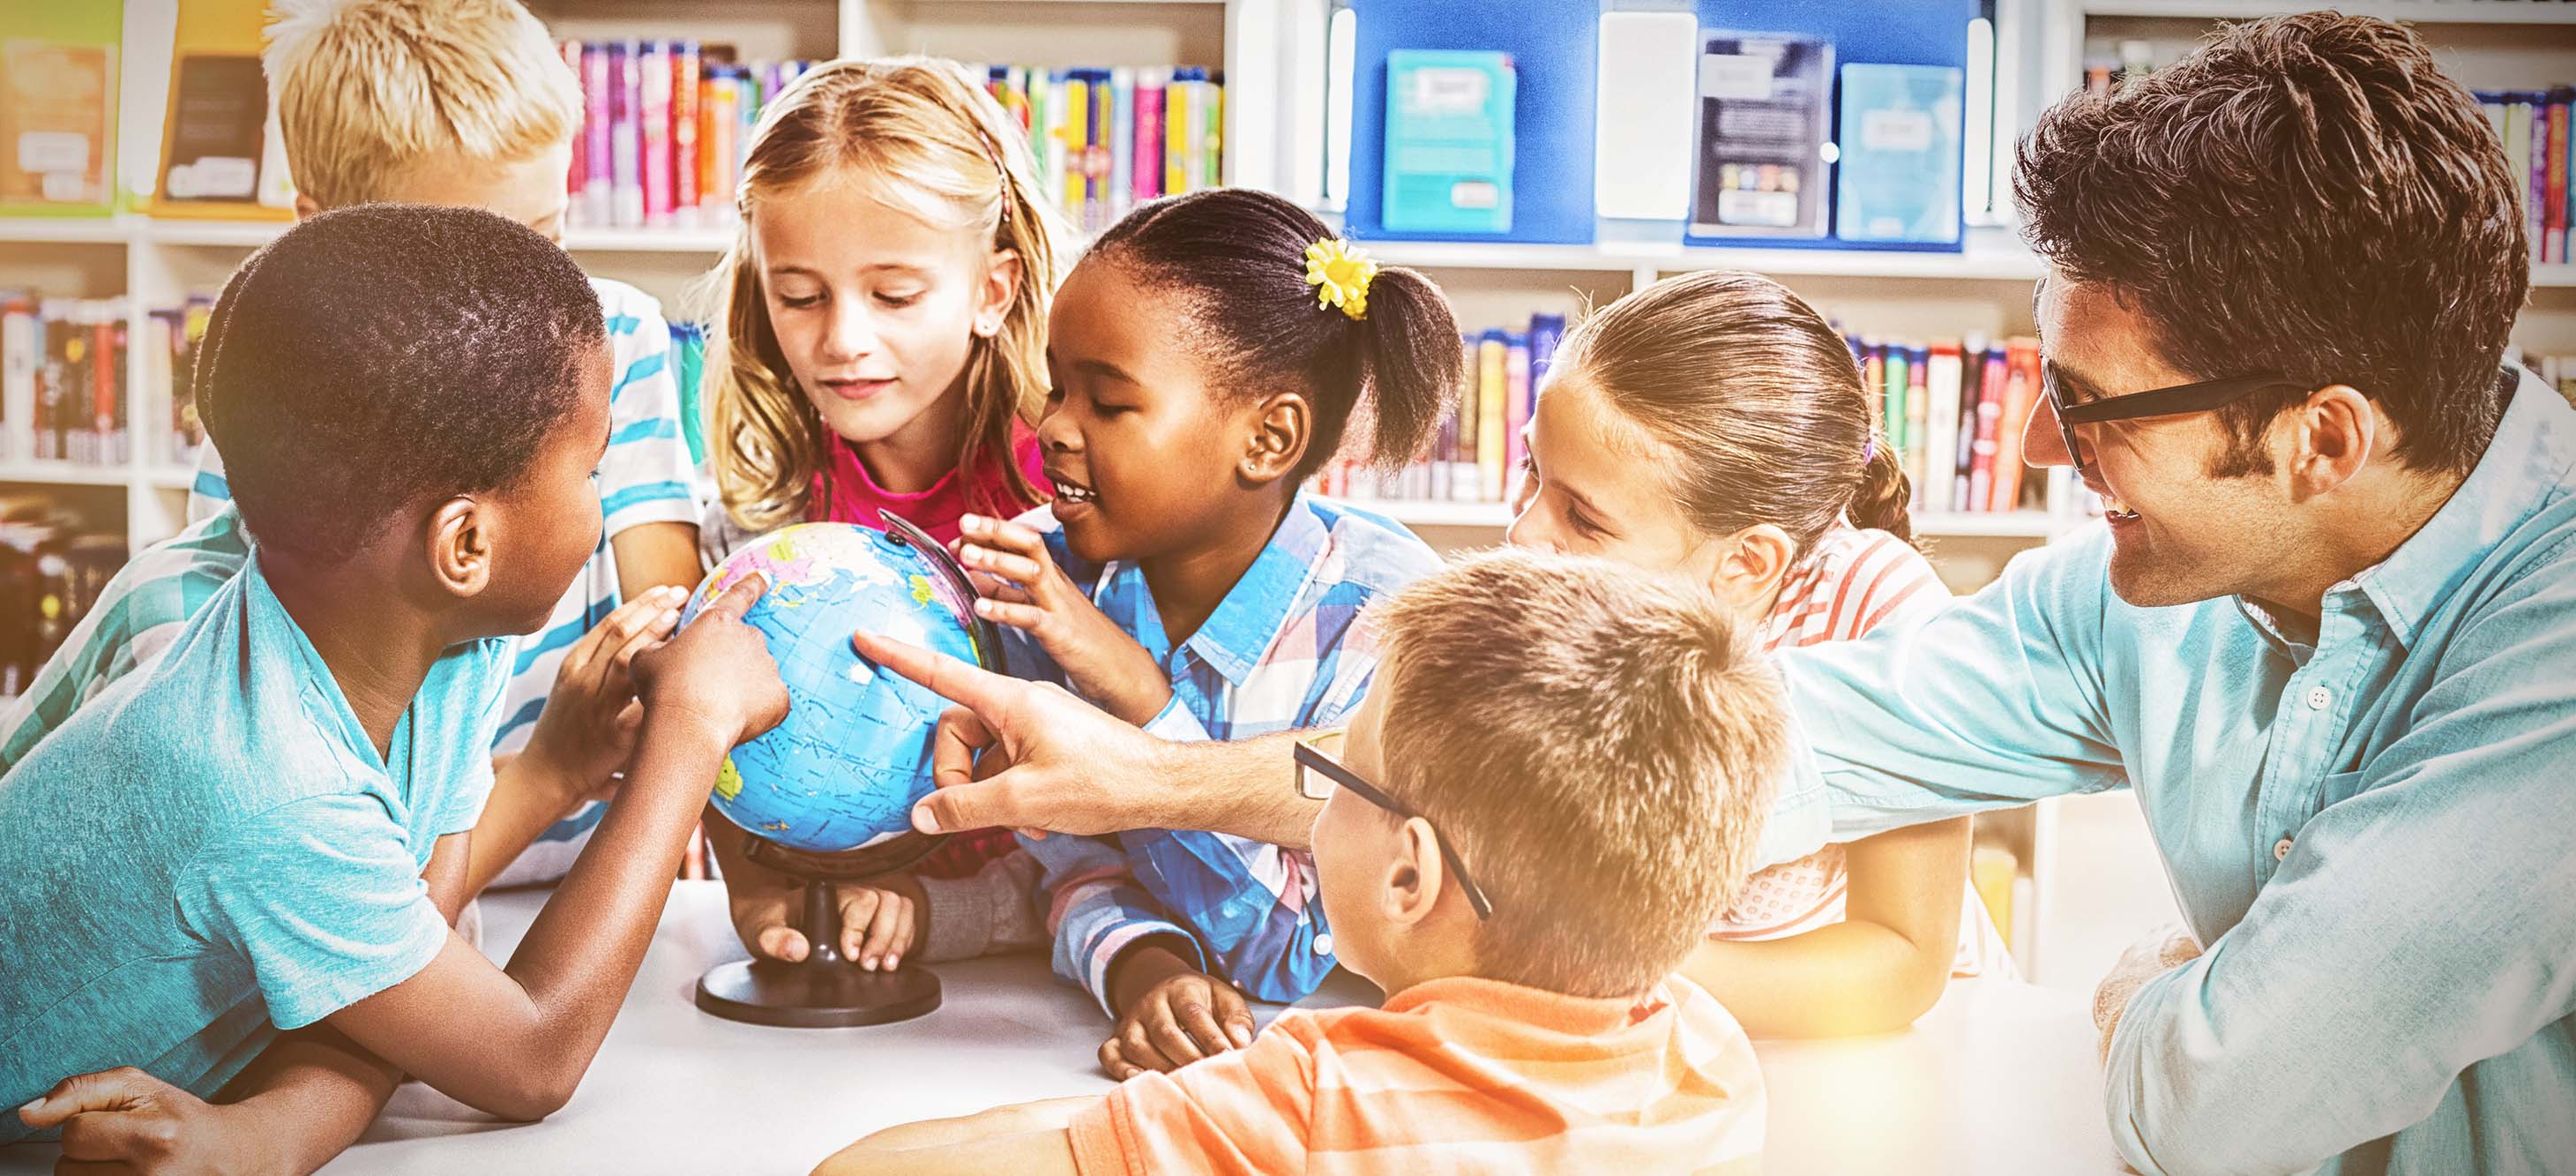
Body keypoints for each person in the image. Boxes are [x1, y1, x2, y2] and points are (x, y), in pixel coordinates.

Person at [856, 14, 2576, 1172]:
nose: (2043, 453)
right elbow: (1642, 765)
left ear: (2323, 437)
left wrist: (2142, 986)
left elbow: (2223, 1097)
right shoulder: (2113, 598)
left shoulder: (2553, 666)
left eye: (2095, 409)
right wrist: (1146, 775)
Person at [0, 207, 788, 1169]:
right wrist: (690, 729)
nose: (601, 500)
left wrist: (276, 1131)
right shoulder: (266, 782)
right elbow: (530, 1058)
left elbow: (413, 961)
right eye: (591, 470)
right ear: (466, 544)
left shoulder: (433, 642)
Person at [0, 0, 709, 895]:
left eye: (548, 239)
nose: (537, 308)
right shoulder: (284, 413)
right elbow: (288, 767)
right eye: (472, 265)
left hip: (581, 880)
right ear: (322, 232)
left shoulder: (620, 340)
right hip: (373, 891)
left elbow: (667, 623)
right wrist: (539, 780)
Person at [819, 549, 1782, 1175]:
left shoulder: (1317, 1105)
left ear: (1410, 877)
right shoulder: (1705, 1052)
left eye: (1334, 769)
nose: (1309, 798)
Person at [818, 189, 1460, 1072]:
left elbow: (1291, 952)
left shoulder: (1385, 621)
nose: (1050, 427)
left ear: (1269, 439)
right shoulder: (1051, 583)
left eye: (1109, 403)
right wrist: (1144, 966)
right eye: (1057, 384)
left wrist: (1135, 687)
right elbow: (1072, 860)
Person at [1508, 268, 2013, 1037]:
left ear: (1747, 564)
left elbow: (1902, 965)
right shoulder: (1551, 598)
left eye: (1582, 515)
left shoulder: (1879, 615)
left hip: (1884, 1053)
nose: (1522, 535)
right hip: (1660, 1032)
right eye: (1531, 475)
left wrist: (1614, 968)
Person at [697, 56, 1065, 907]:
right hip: (843, 924)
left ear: (992, 291)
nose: (844, 339)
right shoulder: (768, 504)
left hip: (1044, 931)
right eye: (800, 295)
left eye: (894, 295)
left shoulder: (1064, 497)